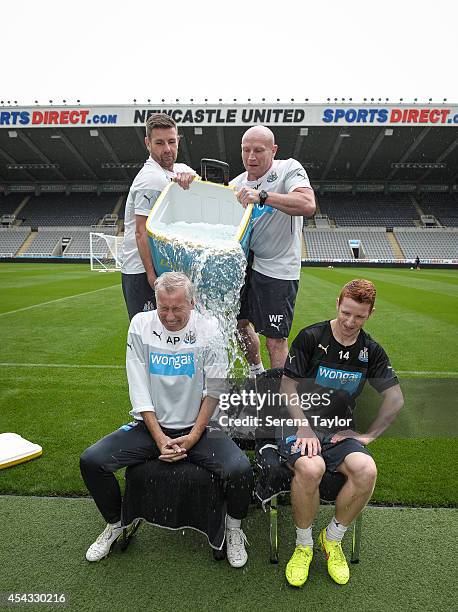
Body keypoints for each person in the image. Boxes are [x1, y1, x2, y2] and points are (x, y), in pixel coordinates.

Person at [80, 272, 253, 568]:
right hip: (151, 428)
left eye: (177, 308)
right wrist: (159, 438)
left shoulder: (210, 329)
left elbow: (215, 390)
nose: (169, 316)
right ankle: (115, 524)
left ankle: (234, 530)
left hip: (200, 428)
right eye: (164, 308)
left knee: (240, 470)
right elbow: (138, 387)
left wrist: (195, 434)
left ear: (192, 303)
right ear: (156, 303)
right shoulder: (140, 325)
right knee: (92, 461)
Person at [279, 279, 404, 587]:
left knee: (367, 469)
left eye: (359, 316)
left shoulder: (370, 350)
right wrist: (304, 426)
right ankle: (304, 545)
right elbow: (287, 386)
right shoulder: (311, 337)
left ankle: (332, 539)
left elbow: (396, 398)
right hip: (300, 425)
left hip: (338, 433)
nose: (350, 322)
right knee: (311, 467)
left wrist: (369, 435)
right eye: (346, 312)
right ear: (338, 303)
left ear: (370, 314)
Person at [230, 126, 316, 374]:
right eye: (246, 150)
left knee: (275, 340)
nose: (251, 157)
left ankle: (280, 399)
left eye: (259, 150)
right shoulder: (235, 184)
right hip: (246, 264)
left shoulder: (289, 168)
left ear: (274, 150)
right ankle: (257, 372)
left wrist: (263, 196)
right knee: (238, 324)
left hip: (279, 265)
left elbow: (307, 204)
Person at [121, 113, 196, 320]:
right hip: (142, 271)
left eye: (172, 142)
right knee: (149, 335)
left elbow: (197, 180)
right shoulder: (151, 179)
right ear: (148, 143)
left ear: (178, 140)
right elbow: (141, 231)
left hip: (164, 268)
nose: (168, 149)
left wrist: (192, 178)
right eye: (160, 143)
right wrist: (152, 276)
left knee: (172, 332)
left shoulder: (178, 169)